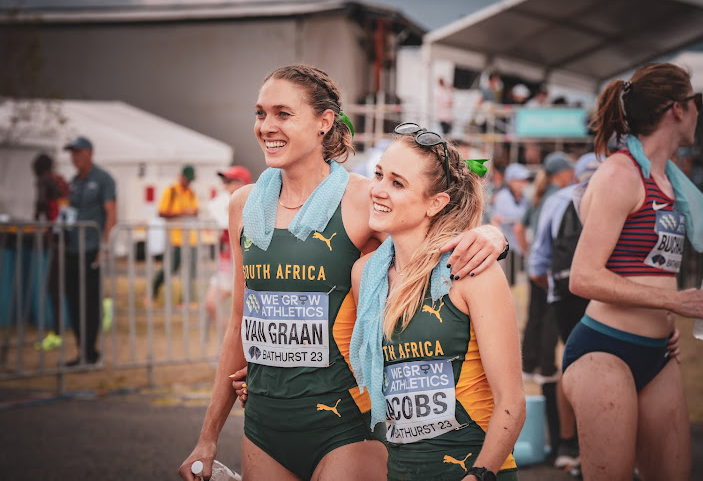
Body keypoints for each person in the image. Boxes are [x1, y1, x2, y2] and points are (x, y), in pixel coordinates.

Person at [178, 64, 507, 481]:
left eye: (283, 113)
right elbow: (239, 321)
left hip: (345, 426)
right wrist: (207, 439)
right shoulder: (243, 205)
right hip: (264, 423)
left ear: (324, 122)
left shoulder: (362, 198)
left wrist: (492, 235)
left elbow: (431, 225)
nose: (266, 126)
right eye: (260, 113)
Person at [564, 63, 703, 480]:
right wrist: (676, 300)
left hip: (658, 354)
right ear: (678, 108)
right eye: (697, 102)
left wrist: (666, 319)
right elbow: (583, 277)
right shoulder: (620, 174)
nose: (698, 112)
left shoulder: (670, 180)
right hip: (603, 350)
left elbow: (648, 270)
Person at [349, 126, 525, 481]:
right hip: (401, 471)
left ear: (436, 203)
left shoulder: (471, 270)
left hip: (473, 467)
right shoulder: (365, 274)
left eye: (397, 183)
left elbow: (512, 402)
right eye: (379, 174)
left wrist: (480, 474)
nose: (378, 190)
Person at [514, 151, 575, 457]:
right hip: (551, 270)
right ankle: (546, 367)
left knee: (535, 319)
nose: (573, 175)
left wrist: (528, 255)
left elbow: (522, 230)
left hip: (539, 268)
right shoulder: (561, 197)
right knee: (549, 322)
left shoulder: (539, 197)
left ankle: (533, 364)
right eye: (569, 170)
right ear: (559, 173)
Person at [62, 136, 116, 366]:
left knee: (90, 301)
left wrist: (104, 247)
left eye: (78, 152)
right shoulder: (74, 181)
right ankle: (81, 351)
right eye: (72, 153)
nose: (74, 157)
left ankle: (91, 353)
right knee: (73, 300)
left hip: (92, 248)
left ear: (89, 153)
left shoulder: (103, 179)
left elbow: (111, 215)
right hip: (72, 247)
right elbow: (69, 211)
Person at [31, 153, 70, 351]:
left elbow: (40, 204)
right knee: (65, 285)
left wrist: (36, 222)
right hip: (68, 235)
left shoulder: (43, 180)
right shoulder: (59, 179)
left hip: (58, 238)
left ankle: (57, 332)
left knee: (53, 287)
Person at [204, 165, 251, 327]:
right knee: (211, 303)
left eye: (229, 181)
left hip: (243, 265)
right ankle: (231, 346)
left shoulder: (250, 204)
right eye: (224, 181)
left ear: (241, 183)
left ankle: (239, 348)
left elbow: (226, 222)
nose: (224, 185)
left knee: (242, 312)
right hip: (225, 263)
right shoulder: (222, 202)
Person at [151, 164, 199, 304]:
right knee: (169, 269)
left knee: (191, 271)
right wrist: (183, 213)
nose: (189, 182)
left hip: (190, 239)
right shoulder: (171, 191)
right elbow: (161, 212)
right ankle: (153, 291)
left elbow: (195, 211)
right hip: (175, 239)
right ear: (181, 177)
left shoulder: (191, 192)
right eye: (187, 179)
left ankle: (185, 300)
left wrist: (190, 213)